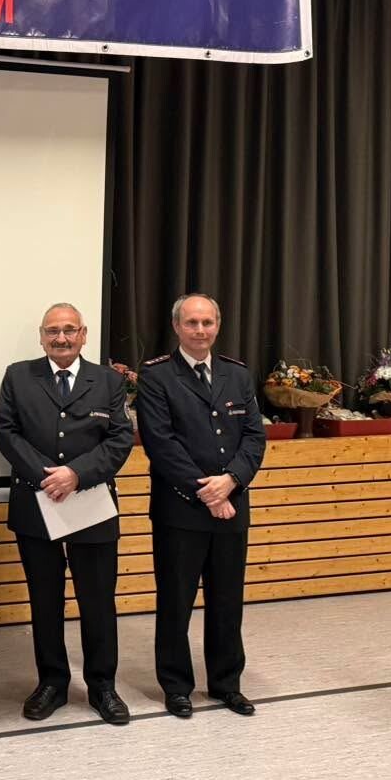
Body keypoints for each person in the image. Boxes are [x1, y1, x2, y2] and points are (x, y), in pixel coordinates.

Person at [0, 302, 136, 726]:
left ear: (83, 335)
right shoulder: (18, 376)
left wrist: (76, 475)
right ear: (41, 337)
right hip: (36, 504)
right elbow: (6, 432)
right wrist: (47, 477)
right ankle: (52, 683)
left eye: (69, 330)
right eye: (52, 331)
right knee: (45, 600)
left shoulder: (108, 381)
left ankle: (102, 686)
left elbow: (120, 438)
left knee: (98, 601)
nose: (61, 338)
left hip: (92, 504)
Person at [135, 293, 265, 720]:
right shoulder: (156, 376)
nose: (200, 330)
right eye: (191, 322)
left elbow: (253, 438)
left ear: (217, 325)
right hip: (180, 511)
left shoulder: (237, 374)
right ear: (177, 327)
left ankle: (227, 684)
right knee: (176, 602)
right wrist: (208, 493)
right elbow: (161, 444)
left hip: (232, 505)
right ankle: (176, 686)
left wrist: (231, 482)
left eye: (207, 322)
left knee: (228, 602)